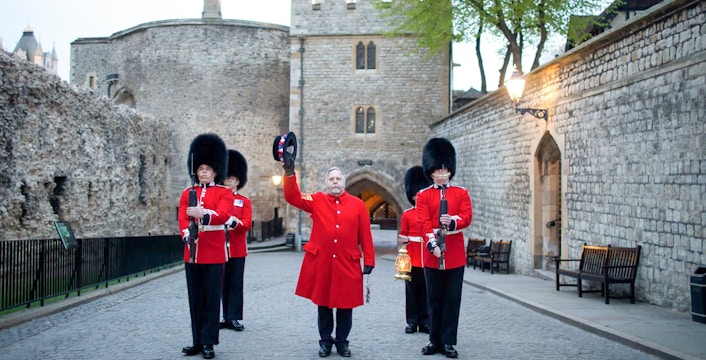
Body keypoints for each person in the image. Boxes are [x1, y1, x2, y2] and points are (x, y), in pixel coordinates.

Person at [281, 163, 375, 358]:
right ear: (326, 183)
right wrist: (289, 174)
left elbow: (365, 234)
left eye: (338, 178)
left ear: (344, 182)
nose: (335, 182)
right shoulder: (317, 200)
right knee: (323, 305)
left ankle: (342, 342)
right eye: (331, 179)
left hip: (347, 262)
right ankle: (325, 341)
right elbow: (293, 197)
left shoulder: (358, 205)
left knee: (345, 306)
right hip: (322, 262)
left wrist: (370, 259)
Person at [415, 138, 473, 359]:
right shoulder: (423, 195)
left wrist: (454, 221)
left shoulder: (461, 193)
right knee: (434, 299)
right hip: (432, 256)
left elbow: (467, 216)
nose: (441, 173)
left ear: (450, 170)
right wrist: (432, 244)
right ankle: (434, 340)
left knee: (452, 299)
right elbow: (422, 222)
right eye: (437, 170)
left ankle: (448, 342)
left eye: (444, 170)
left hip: (455, 255)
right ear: (430, 173)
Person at [178, 133, 234, 359]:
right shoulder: (186, 193)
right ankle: (197, 342)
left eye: (208, 169)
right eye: (200, 168)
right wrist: (186, 235)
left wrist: (204, 214)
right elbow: (182, 218)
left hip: (213, 253)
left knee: (211, 300)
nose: (203, 172)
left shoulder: (224, 193)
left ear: (215, 171)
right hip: (192, 254)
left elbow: (224, 215)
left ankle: (209, 342)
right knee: (195, 299)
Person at [220, 149, 252, 332]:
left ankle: (233, 317)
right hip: (219, 247)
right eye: (227, 178)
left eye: (232, 179)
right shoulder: (217, 199)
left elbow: (246, 223)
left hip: (237, 248)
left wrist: (233, 223)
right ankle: (224, 316)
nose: (229, 181)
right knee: (221, 283)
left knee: (235, 283)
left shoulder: (243, 201)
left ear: (238, 181)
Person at [398, 165, 432, 335]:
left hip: (426, 258)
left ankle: (425, 321)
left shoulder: (430, 215)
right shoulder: (407, 215)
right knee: (411, 292)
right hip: (411, 259)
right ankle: (412, 321)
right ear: (413, 197)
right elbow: (403, 234)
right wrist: (404, 239)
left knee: (426, 292)